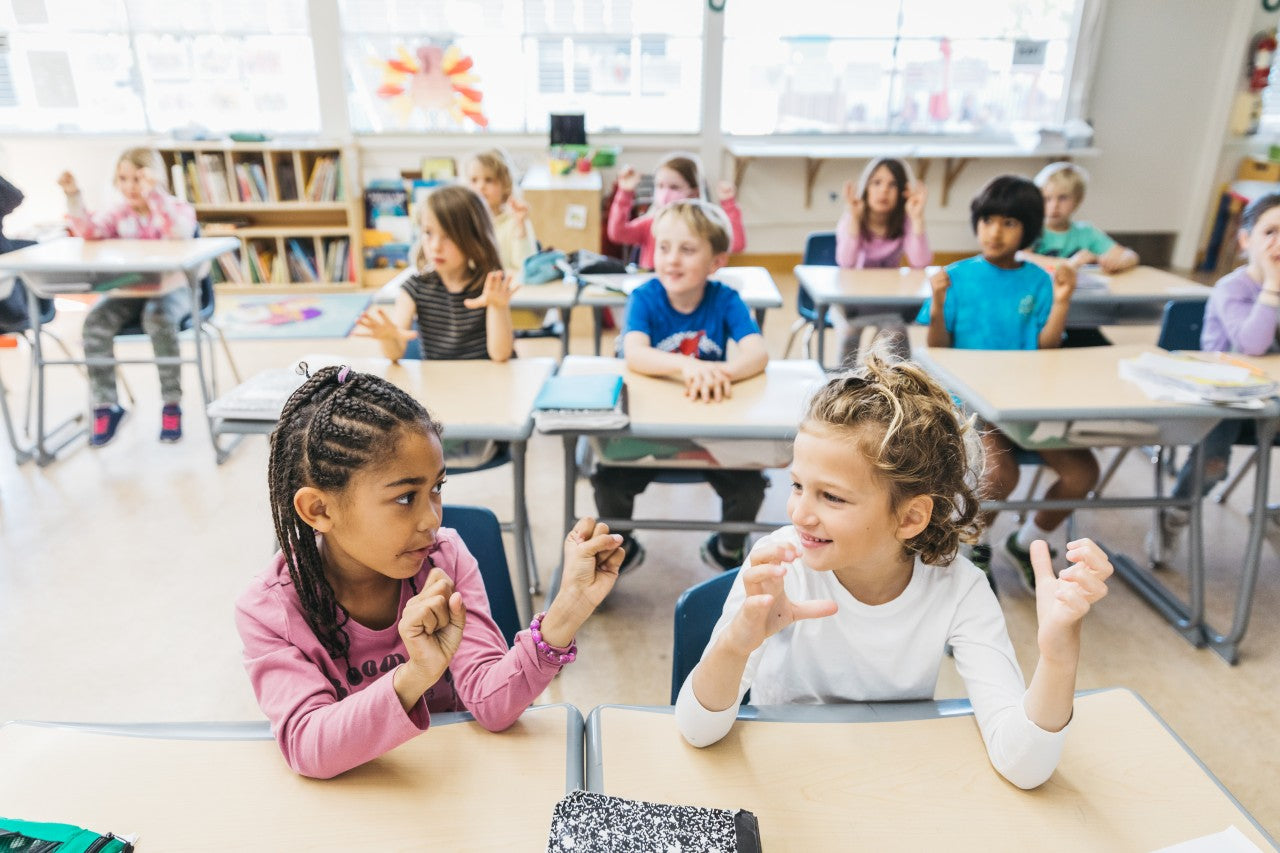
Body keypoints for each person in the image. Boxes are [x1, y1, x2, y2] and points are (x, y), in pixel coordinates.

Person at [674, 353, 1114, 790]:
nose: (800, 514)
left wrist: (1058, 658)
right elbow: (696, 729)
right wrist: (737, 642)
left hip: (896, 779)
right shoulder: (777, 564)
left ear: (909, 518)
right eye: (797, 486)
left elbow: (1023, 766)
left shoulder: (960, 589)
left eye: (832, 497)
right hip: (788, 775)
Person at [235, 364, 624, 779]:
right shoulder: (269, 609)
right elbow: (308, 747)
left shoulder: (445, 559)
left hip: (454, 783)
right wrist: (415, 675)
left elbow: (492, 706)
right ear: (320, 509)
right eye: (405, 498)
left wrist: (569, 609)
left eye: (437, 488)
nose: (431, 519)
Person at [917, 175, 1097, 593]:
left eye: (1008, 224)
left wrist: (1063, 302)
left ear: (1028, 231)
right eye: (987, 221)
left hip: (1028, 402)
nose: (994, 232)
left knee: (1083, 472)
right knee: (1000, 473)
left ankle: (1029, 539)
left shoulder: (1037, 280)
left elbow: (1046, 347)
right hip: (974, 404)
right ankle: (972, 548)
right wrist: (940, 303)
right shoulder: (957, 276)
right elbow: (938, 347)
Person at [591, 199, 769, 575]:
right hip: (650, 428)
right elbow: (635, 352)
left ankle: (728, 547)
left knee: (750, 486)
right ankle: (622, 546)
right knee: (608, 478)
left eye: (687, 250)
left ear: (716, 262)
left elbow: (757, 354)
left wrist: (721, 374)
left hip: (708, 432)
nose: (672, 259)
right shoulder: (645, 296)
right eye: (665, 248)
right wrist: (688, 367)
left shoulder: (726, 299)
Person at [1151, 192, 1280, 561]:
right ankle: (1176, 514)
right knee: (1213, 465)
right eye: (1270, 232)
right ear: (1245, 240)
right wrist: (1272, 286)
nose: (1279, 243)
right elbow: (1252, 345)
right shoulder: (1234, 288)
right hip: (1222, 400)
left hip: (1271, 398)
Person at [59, 147, 197, 446]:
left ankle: (171, 403)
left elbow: (180, 233)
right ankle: (106, 405)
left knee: (157, 319)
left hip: (172, 291)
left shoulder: (176, 208)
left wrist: (156, 195)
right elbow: (89, 231)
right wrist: (74, 195)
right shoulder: (118, 213)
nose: (131, 187)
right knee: (95, 322)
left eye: (139, 179)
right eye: (124, 179)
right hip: (128, 293)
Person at [358, 184, 518, 363]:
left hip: (487, 383)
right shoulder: (414, 287)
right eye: (428, 233)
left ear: (474, 238)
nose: (435, 246)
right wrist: (388, 337)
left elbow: (500, 355)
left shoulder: (490, 287)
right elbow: (395, 353)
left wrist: (498, 306)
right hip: (438, 385)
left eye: (448, 236)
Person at [833, 157, 932, 361]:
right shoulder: (851, 218)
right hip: (852, 303)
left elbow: (920, 262)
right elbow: (846, 262)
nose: (884, 190)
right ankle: (842, 385)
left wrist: (916, 218)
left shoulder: (904, 222)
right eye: (876, 183)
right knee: (850, 333)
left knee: (897, 335)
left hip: (888, 303)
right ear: (866, 187)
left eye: (892, 184)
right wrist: (854, 218)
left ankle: (904, 386)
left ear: (903, 191)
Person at [607, 153, 745, 270]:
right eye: (660, 186)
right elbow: (618, 233)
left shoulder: (703, 227)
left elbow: (737, 244)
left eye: (674, 187)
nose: (665, 194)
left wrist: (729, 204)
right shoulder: (652, 222)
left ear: (694, 193)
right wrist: (624, 193)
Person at [1031, 162, 1138, 273]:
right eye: (1046, 199)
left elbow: (1130, 256)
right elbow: (1021, 257)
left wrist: (1116, 262)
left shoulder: (1086, 232)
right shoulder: (1033, 230)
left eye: (1063, 198)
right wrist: (1069, 263)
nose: (1054, 206)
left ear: (1078, 200)